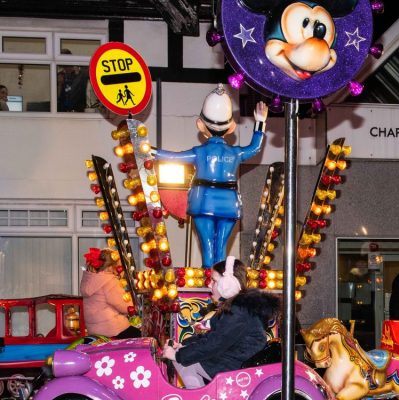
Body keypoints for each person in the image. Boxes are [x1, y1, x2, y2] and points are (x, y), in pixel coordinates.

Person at [154, 85, 268, 268]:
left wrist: (150, 151)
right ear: (231, 127)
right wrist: (260, 123)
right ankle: (220, 282)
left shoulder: (199, 152)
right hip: (229, 204)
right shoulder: (235, 153)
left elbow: (174, 156)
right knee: (221, 246)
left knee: (207, 245)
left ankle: (210, 281)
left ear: (200, 125)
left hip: (203, 202)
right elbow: (254, 148)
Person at [162, 256, 279, 388]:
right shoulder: (237, 307)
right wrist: (182, 345)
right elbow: (210, 337)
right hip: (232, 360)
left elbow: (214, 343)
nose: (209, 284)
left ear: (227, 285)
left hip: (237, 366)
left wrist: (179, 355)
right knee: (183, 357)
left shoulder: (239, 311)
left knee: (183, 361)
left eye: (214, 280)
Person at [80, 248, 140, 338]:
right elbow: (124, 306)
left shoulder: (90, 280)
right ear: (110, 267)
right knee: (140, 335)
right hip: (111, 328)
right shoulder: (109, 281)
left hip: (94, 330)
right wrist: (133, 304)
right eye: (117, 266)